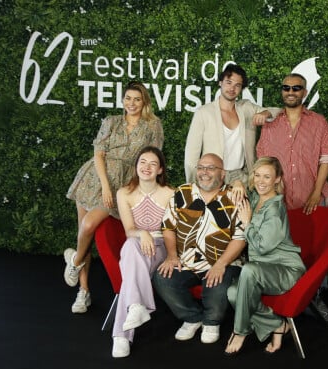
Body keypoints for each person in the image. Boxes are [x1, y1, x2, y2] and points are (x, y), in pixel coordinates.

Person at [64, 81, 164, 314]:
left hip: (124, 182)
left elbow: (153, 157)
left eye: (137, 99)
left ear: (145, 102)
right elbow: (99, 155)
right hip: (94, 179)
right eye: (128, 98)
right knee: (84, 233)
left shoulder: (153, 125)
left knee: (89, 226)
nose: (132, 103)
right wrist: (106, 187)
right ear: (122, 100)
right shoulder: (111, 121)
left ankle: (74, 261)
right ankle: (84, 292)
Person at [256, 73, 328, 322]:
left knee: (315, 251)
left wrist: (315, 192)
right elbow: (265, 162)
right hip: (281, 202)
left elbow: (327, 158)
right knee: (282, 250)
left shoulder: (319, 122)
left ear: (304, 92)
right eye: (286, 87)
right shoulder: (271, 123)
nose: (290, 91)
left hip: (311, 199)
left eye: (296, 88)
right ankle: (284, 299)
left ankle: (315, 298)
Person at [152, 153, 245, 345]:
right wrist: (171, 255)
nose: (204, 172)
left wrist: (220, 264)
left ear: (223, 173)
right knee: (162, 279)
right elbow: (168, 227)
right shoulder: (182, 193)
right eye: (201, 167)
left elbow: (240, 238)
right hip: (187, 260)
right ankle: (192, 318)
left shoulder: (234, 197)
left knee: (217, 286)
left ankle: (212, 321)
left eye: (211, 168)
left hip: (224, 261)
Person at [224, 157, 306, 356]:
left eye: (267, 177)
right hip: (262, 268)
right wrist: (236, 183)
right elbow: (230, 189)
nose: (261, 181)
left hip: (285, 269)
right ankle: (277, 324)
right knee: (233, 293)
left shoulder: (276, 209)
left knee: (249, 270)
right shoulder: (254, 197)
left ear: (277, 179)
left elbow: (261, 247)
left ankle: (240, 331)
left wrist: (247, 222)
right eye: (257, 175)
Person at [111, 146, 174, 358]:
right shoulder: (124, 193)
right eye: (143, 162)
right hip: (136, 244)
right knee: (130, 247)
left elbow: (170, 231)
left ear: (160, 170)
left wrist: (150, 236)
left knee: (130, 269)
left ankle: (121, 335)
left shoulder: (170, 194)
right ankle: (136, 307)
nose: (146, 167)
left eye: (152, 163)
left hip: (161, 246)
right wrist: (142, 233)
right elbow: (129, 230)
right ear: (136, 166)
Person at [184, 63, 279, 200]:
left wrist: (266, 113)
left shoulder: (246, 108)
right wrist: (193, 186)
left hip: (241, 177)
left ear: (241, 89)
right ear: (220, 82)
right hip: (213, 175)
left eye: (237, 85)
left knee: (241, 218)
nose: (232, 88)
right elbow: (191, 155)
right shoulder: (204, 113)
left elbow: (279, 112)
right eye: (229, 82)